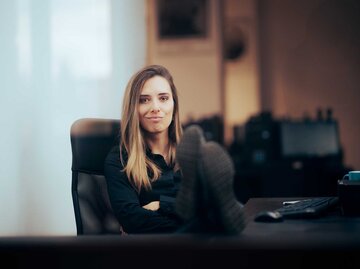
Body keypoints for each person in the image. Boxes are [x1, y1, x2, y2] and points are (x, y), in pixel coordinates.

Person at [104, 64, 245, 235]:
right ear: (133, 108)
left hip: (202, 249)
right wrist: (189, 217)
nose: (155, 107)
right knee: (210, 220)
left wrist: (161, 204)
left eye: (163, 98)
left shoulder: (191, 153)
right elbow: (132, 220)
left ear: (174, 104)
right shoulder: (119, 159)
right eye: (144, 100)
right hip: (150, 251)